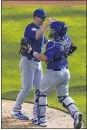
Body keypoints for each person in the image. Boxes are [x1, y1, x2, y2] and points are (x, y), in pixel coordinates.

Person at [28, 21, 83, 128]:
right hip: (65, 73)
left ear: (57, 32)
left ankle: (42, 120)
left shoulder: (52, 44)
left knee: (41, 94)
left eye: (53, 30)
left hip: (53, 74)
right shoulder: (67, 37)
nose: (51, 31)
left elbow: (43, 57)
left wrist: (31, 51)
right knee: (63, 97)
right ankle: (76, 114)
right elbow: (69, 48)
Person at [11, 8, 53, 125]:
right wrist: (45, 26)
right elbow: (36, 36)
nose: (43, 19)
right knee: (26, 88)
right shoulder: (30, 28)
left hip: (37, 62)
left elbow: (46, 42)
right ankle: (16, 110)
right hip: (28, 62)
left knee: (39, 90)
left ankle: (36, 115)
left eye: (44, 17)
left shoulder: (40, 29)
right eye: (41, 17)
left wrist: (58, 44)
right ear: (35, 17)